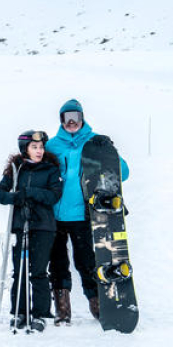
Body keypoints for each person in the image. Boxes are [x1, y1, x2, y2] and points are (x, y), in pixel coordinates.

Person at [46, 99, 130, 323]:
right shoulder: (52, 146)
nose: (72, 122)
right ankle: (62, 309)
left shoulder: (94, 143)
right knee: (57, 262)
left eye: (76, 117)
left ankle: (97, 303)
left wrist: (110, 151)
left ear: (82, 118)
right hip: (54, 215)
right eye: (67, 118)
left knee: (86, 261)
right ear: (61, 120)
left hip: (82, 215)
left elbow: (123, 173)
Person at [0, 131, 62, 332]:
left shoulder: (50, 170)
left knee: (38, 271)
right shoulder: (16, 170)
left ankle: (40, 313)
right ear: (25, 149)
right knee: (19, 270)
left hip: (43, 226)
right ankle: (20, 311)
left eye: (41, 147)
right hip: (19, 225)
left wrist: (29, 193)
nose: (39, 151)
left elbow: (53, 196)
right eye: (34, 147)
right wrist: (17, 198)